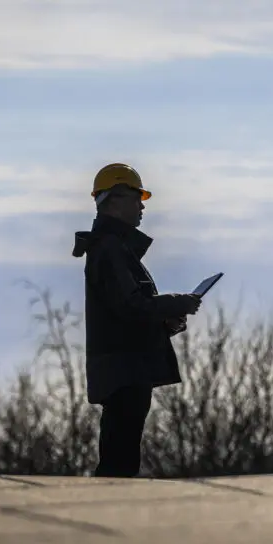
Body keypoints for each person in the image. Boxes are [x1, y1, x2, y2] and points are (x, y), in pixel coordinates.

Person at [71, 163, 202, 477]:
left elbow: (127, 313)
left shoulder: (113, 249)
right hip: (124, 371)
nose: (142, 206)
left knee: (122, 456)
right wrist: (177, 303)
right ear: (115, 199)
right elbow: (130, 307)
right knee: (119, 462)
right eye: (135, 198)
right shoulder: (110, 249)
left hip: (125, 369)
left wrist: (164, 323)